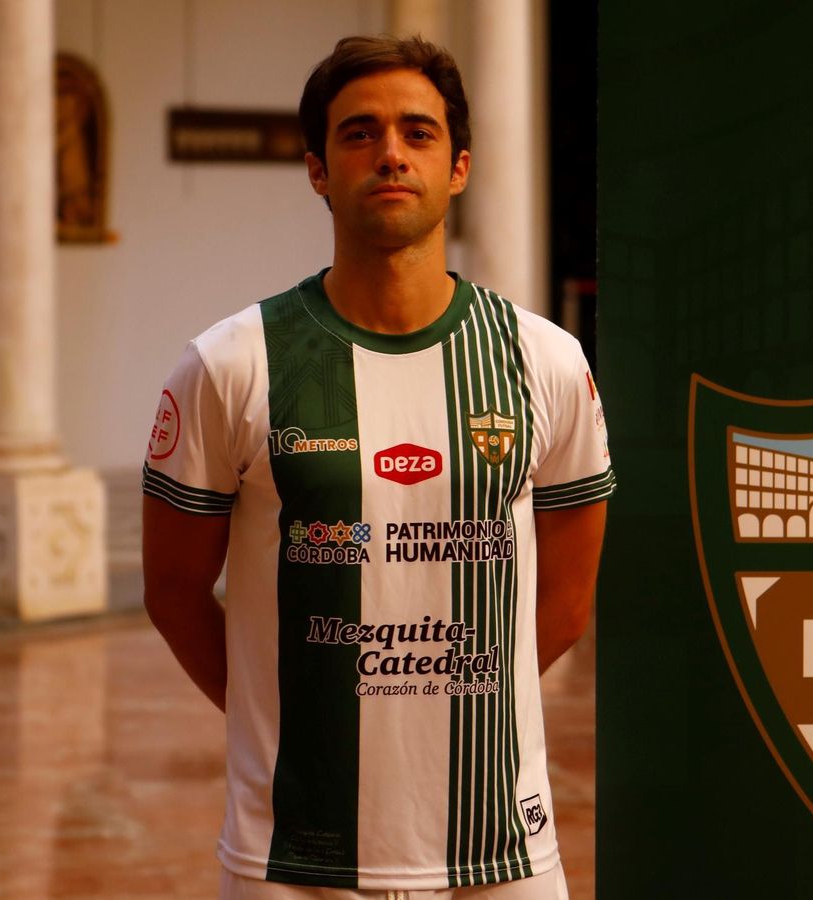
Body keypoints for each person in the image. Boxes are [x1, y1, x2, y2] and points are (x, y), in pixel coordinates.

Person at [141, 34, 613, 899]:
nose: (390, 152)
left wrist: (453, 710)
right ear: (317, 169)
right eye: (359, 133)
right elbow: (173, 592)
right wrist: (292, 718)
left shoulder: (544, 361)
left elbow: (570, 602)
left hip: (499, 850)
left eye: (417, 132)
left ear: (460, 167)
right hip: (292, 857)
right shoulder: (230, 365)